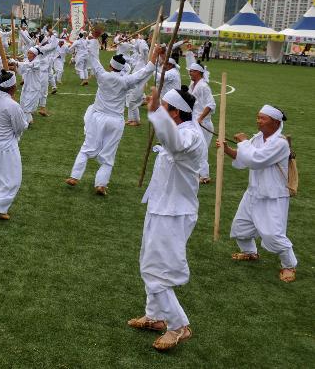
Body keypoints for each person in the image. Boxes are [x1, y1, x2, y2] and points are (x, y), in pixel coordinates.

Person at [128, 85, 203, 352]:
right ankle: (155, 316)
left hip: (174, 214)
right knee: (148, 262)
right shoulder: (184, 130)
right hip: (161, 209)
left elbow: (175, 144)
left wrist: (155, 113)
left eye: (166, 109)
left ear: (175, 113)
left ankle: (178, 325)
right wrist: (159, 112)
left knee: (156, 270)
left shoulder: (190, 135)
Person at [66, 46, 159, 195]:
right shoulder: (126, 80)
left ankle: (74, 177)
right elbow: (145, 72)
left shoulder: (103, 75)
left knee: (87, 148)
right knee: (108, 155)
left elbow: (93, 58)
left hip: (99, 117)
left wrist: (91, 40)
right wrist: (155, 55)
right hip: (115, 121)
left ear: (110, 65)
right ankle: (101, 185)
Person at [219, 105, 297, 282]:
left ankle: (289, 265)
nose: (258, 121)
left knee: (273, 234)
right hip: (253, 192)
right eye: (258, 117)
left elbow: (256, 160)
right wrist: (228, 150)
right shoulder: (257, 138)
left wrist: (243, 141)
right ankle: (250, 253)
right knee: (240, 228)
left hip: (273, 197)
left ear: (276, 122)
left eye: (263, 118)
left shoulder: (280, 143)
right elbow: (245, 158)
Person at [0, 70, 27, 219]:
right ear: (13, 87)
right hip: (6, 146)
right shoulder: (12, 105)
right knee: (13, 179)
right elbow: (20, 126)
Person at [183, 48, 214, 183]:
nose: (190, 73)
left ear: (199, 73)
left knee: (201, 148)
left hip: (203, 123)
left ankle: (205, 175)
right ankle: (195, 171)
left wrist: (200, 118)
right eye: (190, 71)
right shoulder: (192, 84)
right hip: (194, 121)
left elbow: (211, 104)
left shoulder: (203, 87)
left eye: (192, 71)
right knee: (194, 147)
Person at [13, 48, 44, 124]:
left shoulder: (37, 62)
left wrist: (17, 63)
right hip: (26, 87)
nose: (28, 54)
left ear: (34, 55)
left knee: (27, 107)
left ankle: (26, 123)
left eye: (30, 53)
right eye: (28, 53)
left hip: (34, 88)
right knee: (22, 105)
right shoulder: (26, 61)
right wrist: (15, 66)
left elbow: (30, 65)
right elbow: (21, 72)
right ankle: (29, 121)